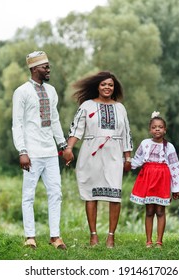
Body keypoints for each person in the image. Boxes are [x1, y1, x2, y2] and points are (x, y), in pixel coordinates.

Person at [62, 71, 133, 248]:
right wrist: (69, 148)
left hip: (114, 154)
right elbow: (76, 129)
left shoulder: (120, 108)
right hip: (91, 152)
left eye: (110, 85)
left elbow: (126, 134)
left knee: (115, 195)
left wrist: (128, 157)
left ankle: (111, 236)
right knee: (90, 194)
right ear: (98, 87)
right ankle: (93, 236)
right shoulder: (87, 105)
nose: (107, 87)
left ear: (114, 87)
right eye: (103, 84)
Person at [11, 51, 68, 249]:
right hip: (32, 152)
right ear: (34, 69)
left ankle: (55, 236)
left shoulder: (51, 91)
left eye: (48, 66)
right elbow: (17, 124)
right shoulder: (22, 91)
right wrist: (22, 151)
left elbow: (54, 120)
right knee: (29, 194)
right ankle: (30, 237)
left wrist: (63, 145)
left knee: (56, 193)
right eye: (45, 67)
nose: (48, 69)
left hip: (51, 152)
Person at [129, 112, 179, 248]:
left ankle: (159, 241)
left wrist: (176, 188)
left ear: (165, 130)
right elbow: (137, 159)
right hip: (148, 178)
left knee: (160, 211)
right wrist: (125, 163)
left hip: (162, 180)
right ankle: (148, 241)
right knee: (149, 211)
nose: (157, 129)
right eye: (154, 127)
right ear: (150, 129)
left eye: (160, 127)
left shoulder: (169, 147)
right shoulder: (145, 143)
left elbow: (175, 168)